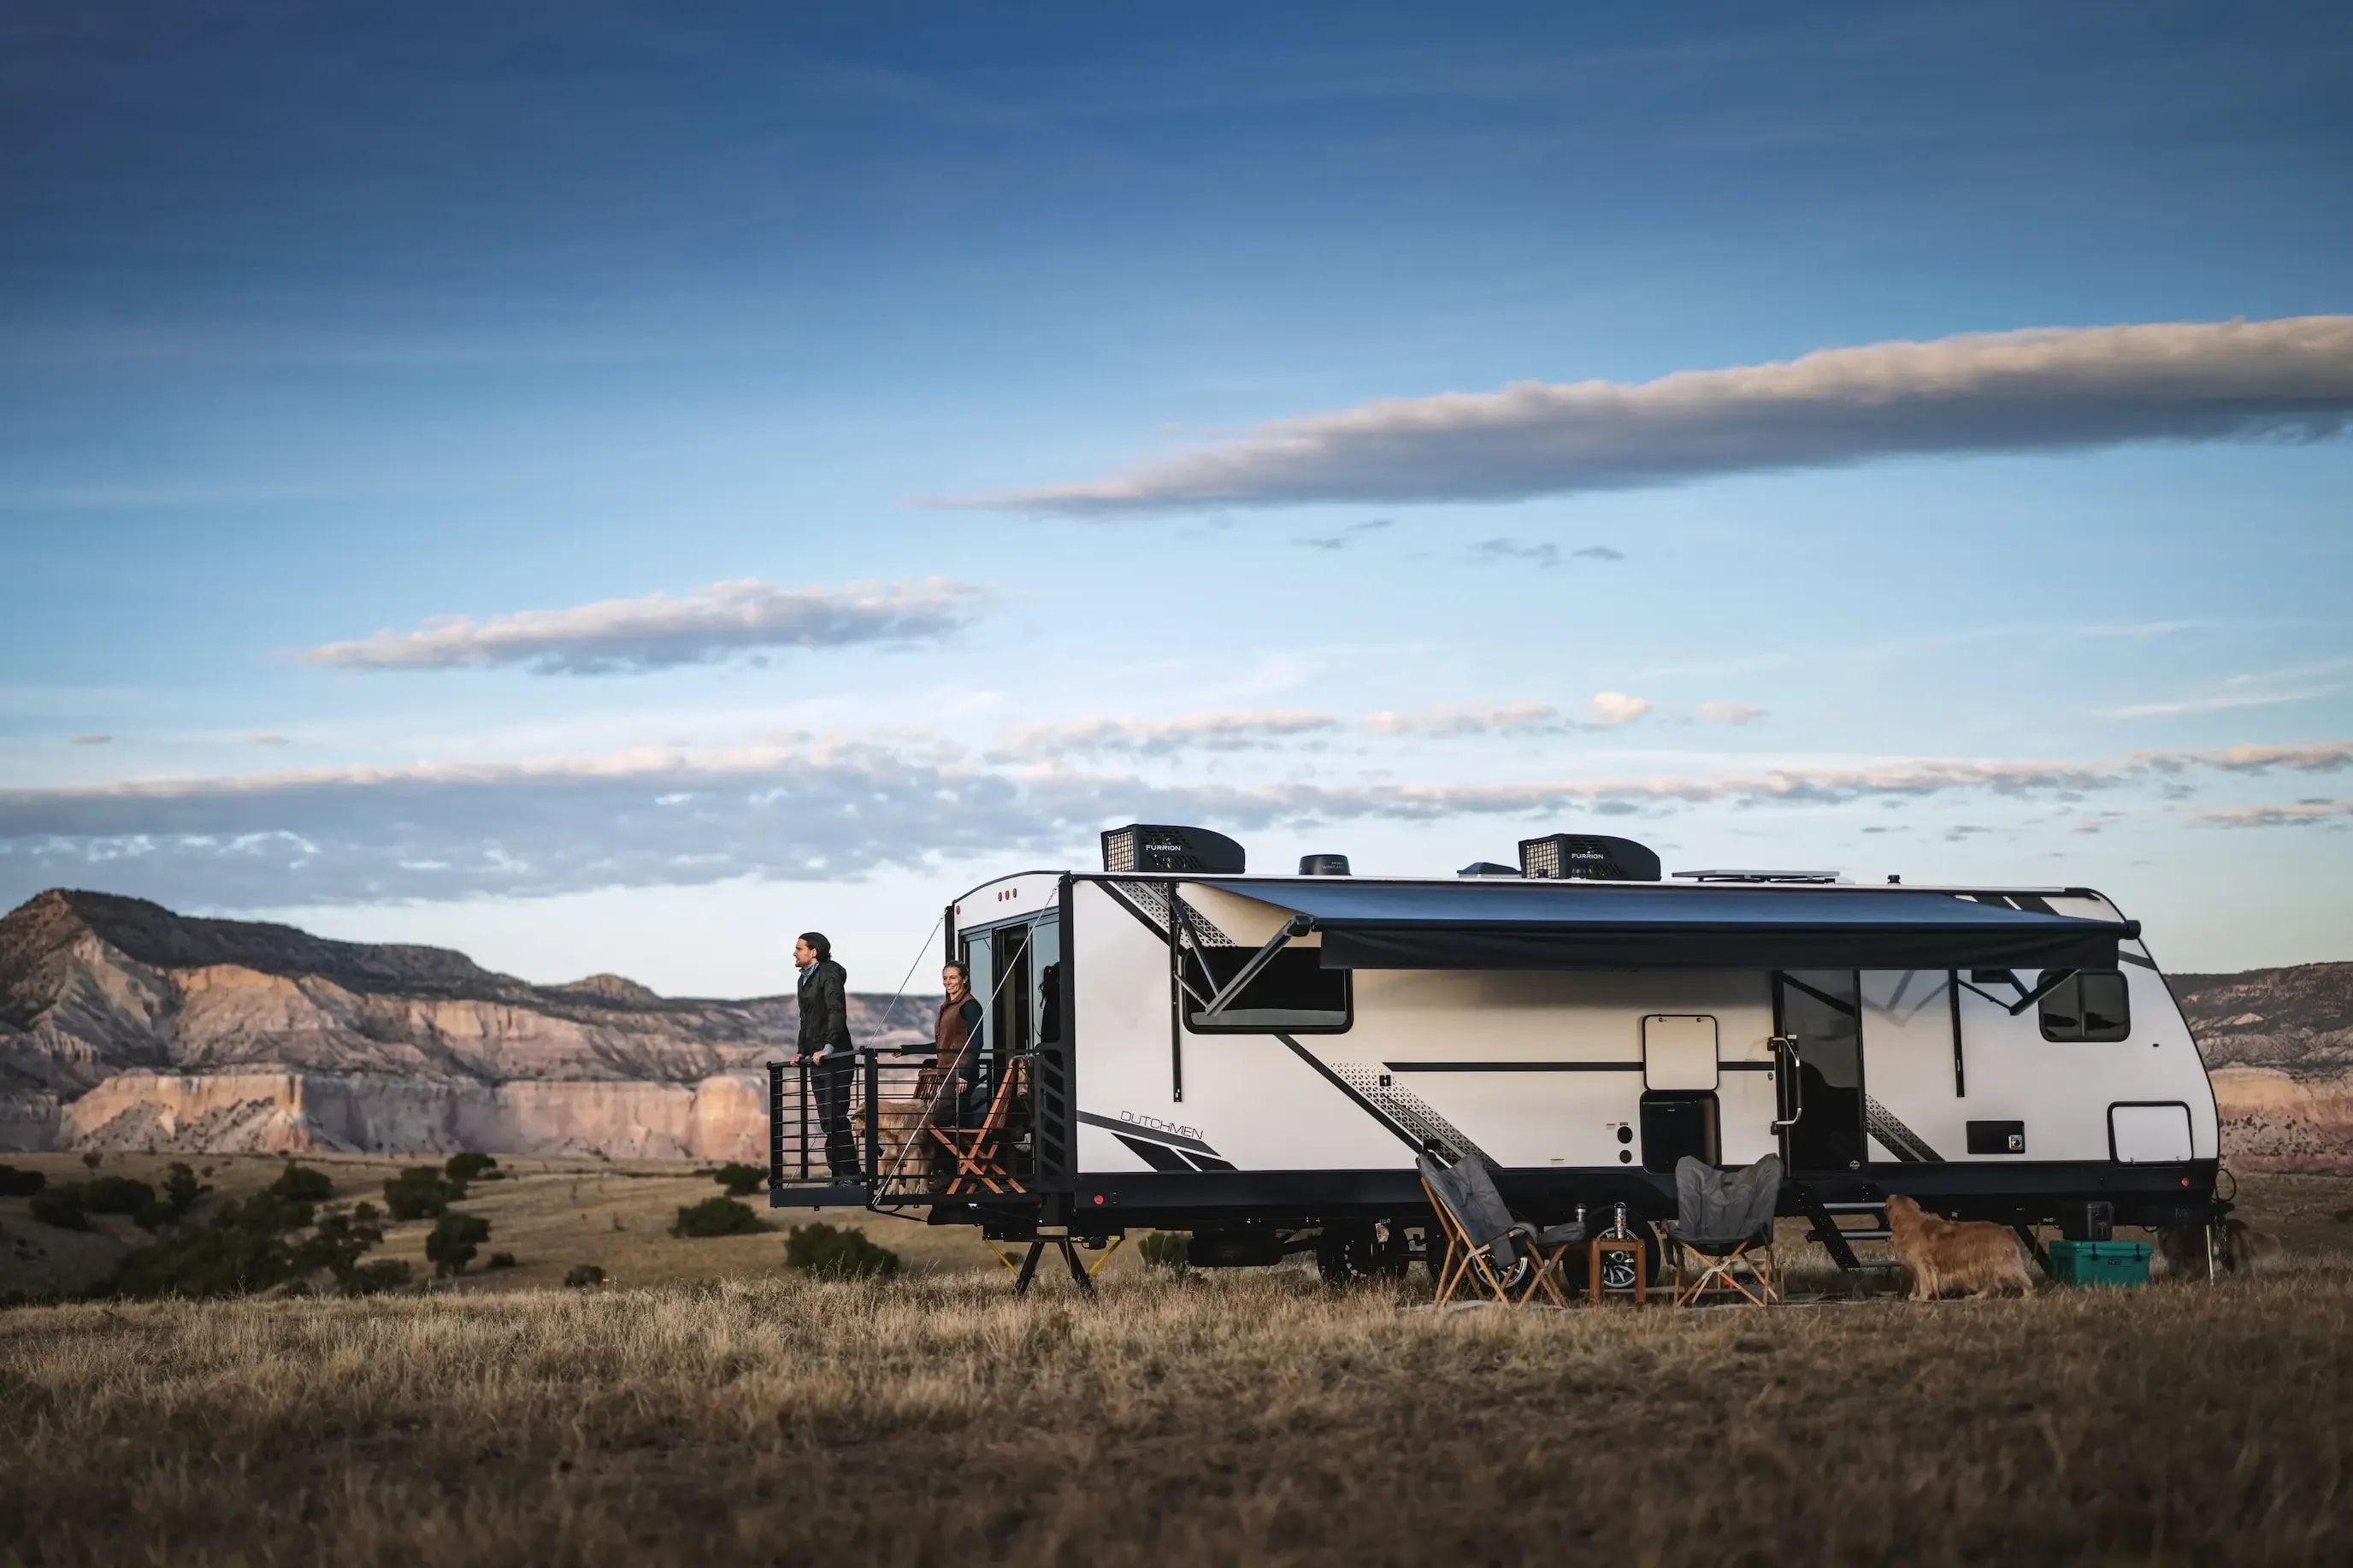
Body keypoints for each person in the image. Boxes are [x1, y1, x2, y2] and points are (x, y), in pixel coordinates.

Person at [791, 931, 858, 1182]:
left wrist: (829, 1046)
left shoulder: (828, 974)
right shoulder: (804, 980)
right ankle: (839, 1172)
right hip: (817, 1057)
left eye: (799, 949)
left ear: (813, 952)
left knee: (835, 1116)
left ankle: (849, 1173)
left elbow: (836, 1011)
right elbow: (806, 1019)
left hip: (835, 1056)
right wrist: (802, 1050)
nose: (795, 953)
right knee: (827, 1120)